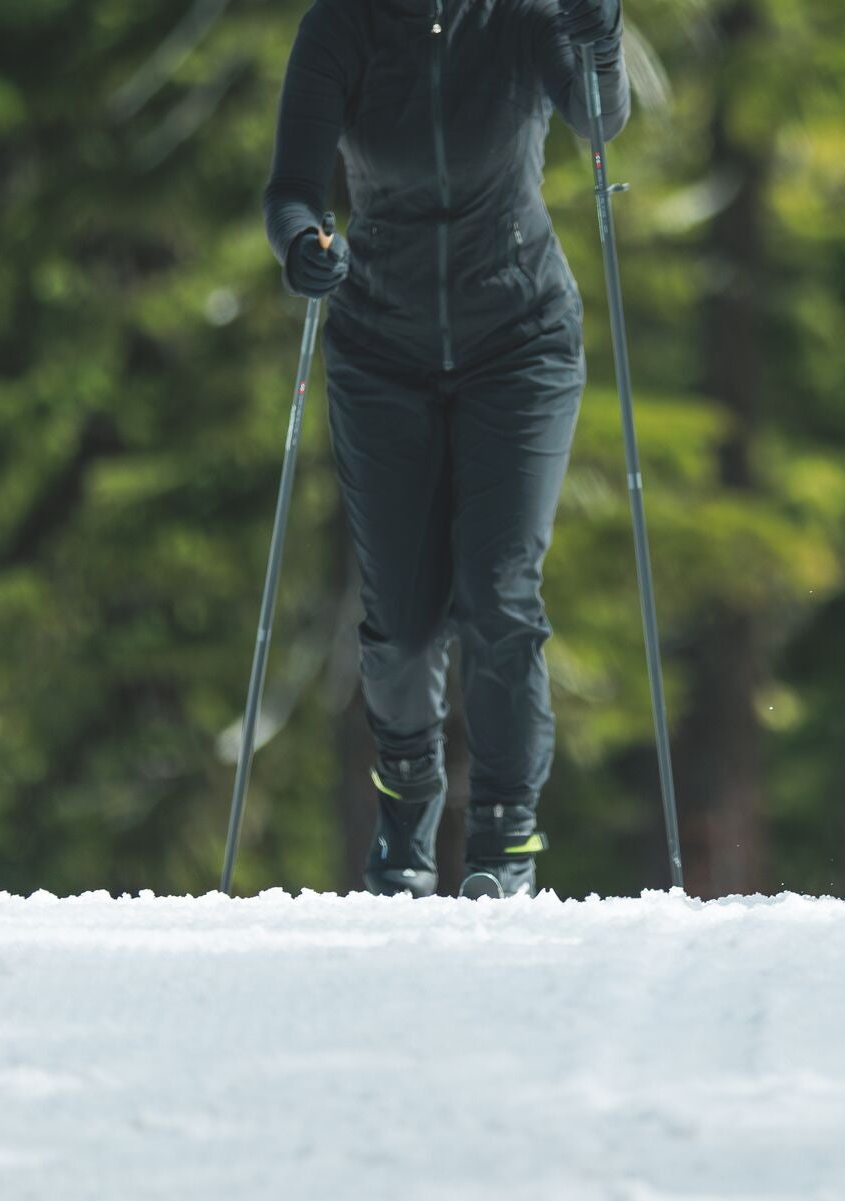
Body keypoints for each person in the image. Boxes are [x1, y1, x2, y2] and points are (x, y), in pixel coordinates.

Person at [262, 0, 627, 897]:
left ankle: (506, 842)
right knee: (403, 625)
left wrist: (601, 30)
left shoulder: (520, 17)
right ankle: (407, 819)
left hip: (521, 338)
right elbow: (293, 189)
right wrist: (303, 244)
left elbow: (599, 117)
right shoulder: (340, 28)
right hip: (380, 346)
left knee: (500, 593)